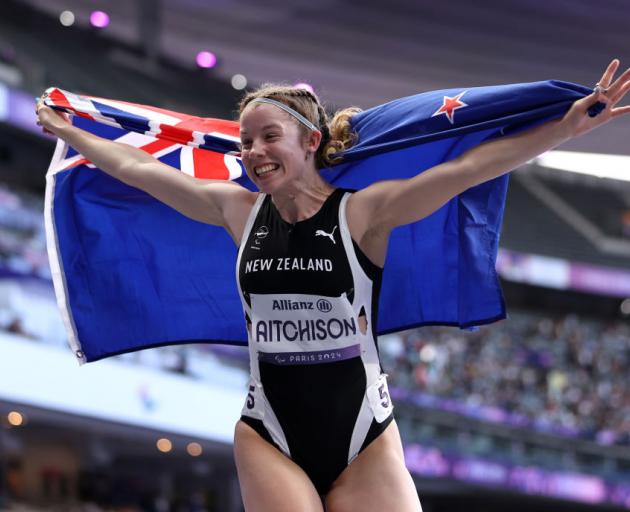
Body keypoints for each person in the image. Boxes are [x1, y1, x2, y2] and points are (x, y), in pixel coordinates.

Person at [36, 59, 630, 512]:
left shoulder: (364, 214)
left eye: (269, 137)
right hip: (269, 431)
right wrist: (75, 135)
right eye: (245, 142)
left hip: (365, 433)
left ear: (310, 142)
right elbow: (139, 169)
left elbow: (466, 170)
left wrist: (564, 128)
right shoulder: (237, 211)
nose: (253, 152)